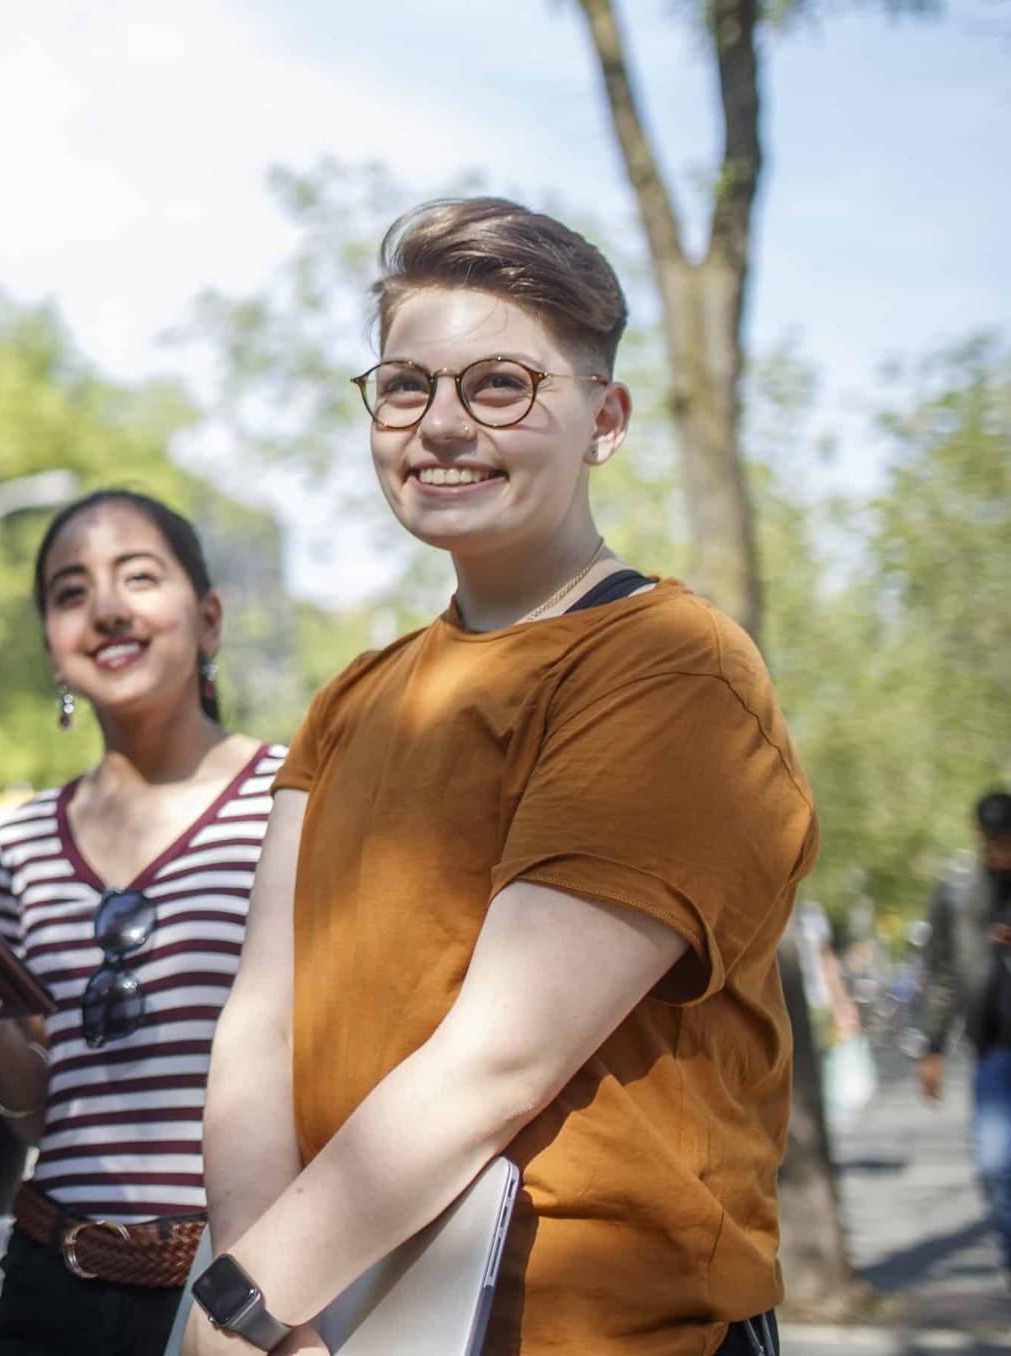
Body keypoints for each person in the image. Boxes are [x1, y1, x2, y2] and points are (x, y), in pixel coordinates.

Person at [189, 199, 815, 1356]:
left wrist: (243, 1304)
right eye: (405, 385)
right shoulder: (354, 697)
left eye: (500, 386)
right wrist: (262, 1309)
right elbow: (259, 1022)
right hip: (335, 1317)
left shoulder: (671, 667)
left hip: (606, 1332)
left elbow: (502, 1056)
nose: (440, 425)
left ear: (605, 419)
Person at [0, 489, 280, 1354]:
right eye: (71, 593)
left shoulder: (293, 798)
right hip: (49, 1293)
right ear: (52, 649)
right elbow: (39, 1113)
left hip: (235, 1294)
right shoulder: (22, 841)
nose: (106, 608)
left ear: (208, 618)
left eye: (138, 577)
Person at [910, 790, 1011, 1276]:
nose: (998, 847)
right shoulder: (959, 893)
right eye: (990, 838)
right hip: (992, 1051)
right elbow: (944, 976)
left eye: (1006, 837)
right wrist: (932, 1049)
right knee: (994, 1167)